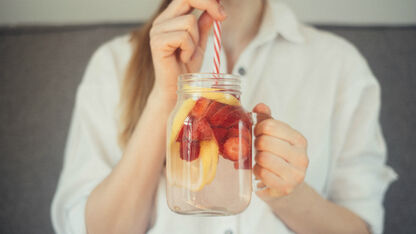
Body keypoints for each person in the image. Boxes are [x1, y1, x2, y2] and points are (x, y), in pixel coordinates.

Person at [51, 0, 397, 233]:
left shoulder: (340, 65)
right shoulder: (112, 64)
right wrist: (166, 97)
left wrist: (286, 191)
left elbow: (361, 225)